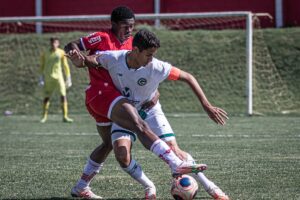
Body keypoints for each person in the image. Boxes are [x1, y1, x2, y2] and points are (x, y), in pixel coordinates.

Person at [65, 6, 205, 200]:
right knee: (139, 124)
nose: (129, 30)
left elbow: (142, 71)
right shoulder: (102, 38)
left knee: (108, 144)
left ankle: (81, 186)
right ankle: (174, 163)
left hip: (113, 97)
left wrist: (153, 89)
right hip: (102, 93)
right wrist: (76, 56)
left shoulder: (135, 43)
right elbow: (74, 46)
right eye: (125, 26)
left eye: (132, 26)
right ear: (113, 24)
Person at [79, 29, 230, 200]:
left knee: (175, 150)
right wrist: (83, 59)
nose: (151, 59)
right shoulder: (115, 58)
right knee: (122, 155)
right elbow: (95, 59)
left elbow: (187, 77)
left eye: (153, 55)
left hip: (151, 110)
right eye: (148, 55)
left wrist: (206, 105)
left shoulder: (157, 67)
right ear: (135, 51)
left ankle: (212, 188)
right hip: (126, 112)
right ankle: (150, 187)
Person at [39, 37, 73, 123]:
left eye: (56, 43)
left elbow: (65, 65)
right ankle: (44, 117)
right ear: (50, 43)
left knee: (63, 95)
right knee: (46, 97)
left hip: (59, 78)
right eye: (52, 43)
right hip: (48, 78)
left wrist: (68, 77)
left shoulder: (61, 52)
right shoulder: (45, 53)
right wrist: (41, 77)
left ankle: (65, 116)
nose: (54, 44)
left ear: (58, 44)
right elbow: (42, 65)